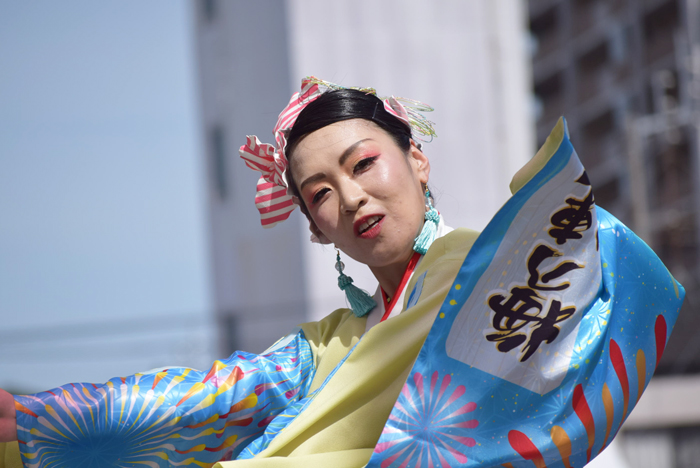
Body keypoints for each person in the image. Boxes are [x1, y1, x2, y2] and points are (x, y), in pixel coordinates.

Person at [0, 77, 685, 468]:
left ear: (416, 159)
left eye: (364, 164)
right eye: (321, 191)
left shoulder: (479, 273)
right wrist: (42, 420)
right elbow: (210, 394)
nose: (351, 197)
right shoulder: (328, 346)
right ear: (312, 223)